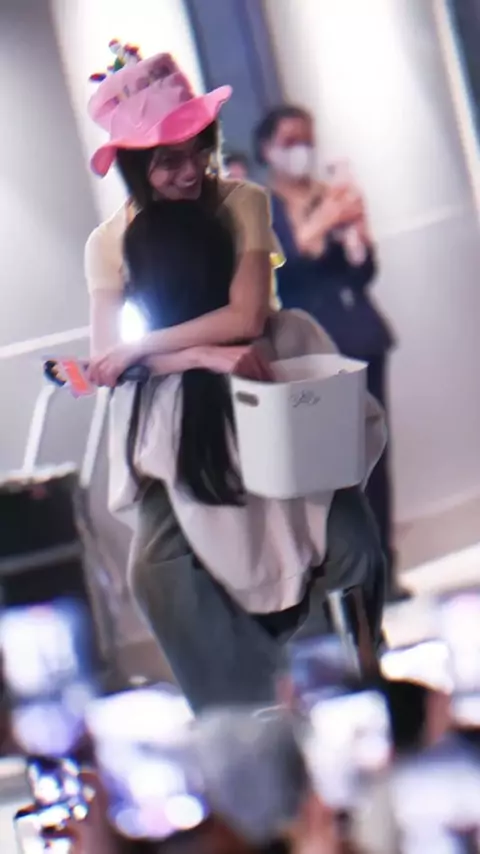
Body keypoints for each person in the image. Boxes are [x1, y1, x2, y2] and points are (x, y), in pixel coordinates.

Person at [85, 49, 386, 712]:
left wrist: (155, 347)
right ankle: (243, 719)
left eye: (198, 148)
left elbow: (246, 317)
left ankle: (358, 689)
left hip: (267, 384)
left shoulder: (243, 201)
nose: (190, 170)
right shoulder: (106, 243)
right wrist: (199, 356)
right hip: (175, 416)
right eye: (167, 159)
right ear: (134, 164)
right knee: (157, 570)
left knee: (346, 542)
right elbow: (108, 360)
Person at [253, 106, 406, 603]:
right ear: (267, 149)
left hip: (360, 336)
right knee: (330, 472)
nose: (301, 150)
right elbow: (283, 269)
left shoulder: (328, 194)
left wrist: (358, 236)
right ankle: (342, 579)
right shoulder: (263, 207)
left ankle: (383, 568)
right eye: (290, 140)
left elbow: (361, 272)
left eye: (307, 139)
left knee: (374, 457)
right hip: (310, 350)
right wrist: (320, 224)